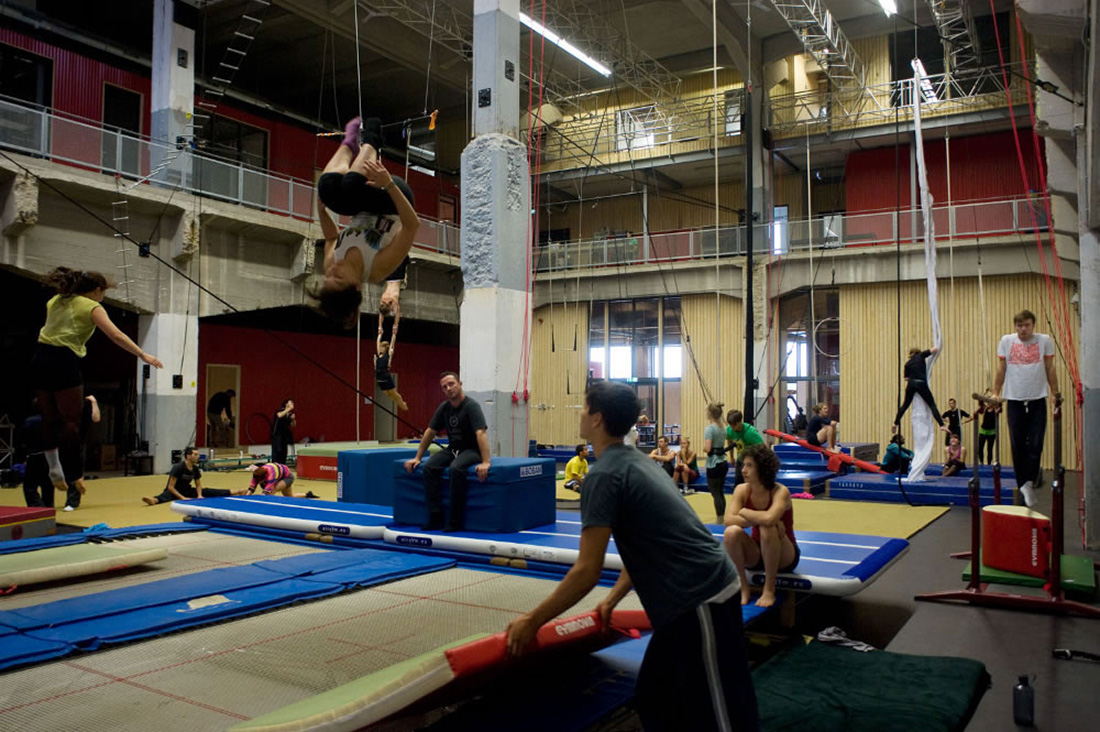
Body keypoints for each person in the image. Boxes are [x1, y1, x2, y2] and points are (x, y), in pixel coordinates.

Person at [504, 381, 760, 732]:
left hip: (702, 598)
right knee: (655, 696)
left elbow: (586, 570)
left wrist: (532, 621)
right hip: (683, 606)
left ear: (596, 419)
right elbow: (649, 545)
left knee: (721, 709)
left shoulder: (605, 475)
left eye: (584, 408)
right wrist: (613, 598)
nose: (580, 414)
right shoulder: (637, 463)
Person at [31, 267, 162, 496]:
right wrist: (143, 355)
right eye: (103, 293)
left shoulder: (55, 300)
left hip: (40, 357)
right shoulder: (92, 306)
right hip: (63, 359)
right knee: (72, 421)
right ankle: (74, 474)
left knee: (49, 419)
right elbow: (116, 335)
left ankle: (54, 468)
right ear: (96, 291)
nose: (103, 297)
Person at [312, 118, 420, 329]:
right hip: (394, 202)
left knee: (327, 189)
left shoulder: (331, 264)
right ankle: (373, 137)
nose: (333, 269)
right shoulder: (378, 268)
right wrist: (388, 183)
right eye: (339, 276)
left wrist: (322, 211)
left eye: (328, 276)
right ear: (356, 286)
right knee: (351, 187)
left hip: (362, 205)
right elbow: (412, 225)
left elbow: (332, 238)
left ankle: (350, 143)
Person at [404, 372, 491, 531]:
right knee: (429, 467)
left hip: (472, 450)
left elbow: (481, 433)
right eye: (444, 387)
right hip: (453, 449)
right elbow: (430, 432)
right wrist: (417, 458)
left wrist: (486, 461)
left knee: (456, 469)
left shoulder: (471, 406)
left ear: (460, 384)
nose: (449, 388)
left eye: (451, 384)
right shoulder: (444, 408)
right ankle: (435, 516)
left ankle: (454, 520)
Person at [992, 309, 1059, 508]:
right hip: (1014, 399)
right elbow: (1001, 369)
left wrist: (1055, 392)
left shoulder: (1044, 340)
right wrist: (996, 393)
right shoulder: (1006, 341)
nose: (1023, 330)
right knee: (1018, 444)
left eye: (1027, 325)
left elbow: (1050, 368)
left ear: (1033, 325)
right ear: (1015, 327)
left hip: (1038, 397)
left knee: (1036, 442)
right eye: (1019, 326)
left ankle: (1029, 480)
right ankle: (1023, 484)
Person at [722, 443, 799, 608]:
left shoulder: (780, 491)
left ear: (763, 469)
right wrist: (758, 517)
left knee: (768, 527)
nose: (743, 470)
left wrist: (744, 512)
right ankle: (743, 586)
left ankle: (768, 589)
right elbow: (728, 520)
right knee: (731, 532)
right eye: (743, 465)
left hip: (784, 555)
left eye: (749, 466)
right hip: (757, 553)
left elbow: (770, 519)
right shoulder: (742, 490)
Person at [142, 447, 248, 505]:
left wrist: (199, 495)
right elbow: (170, 487)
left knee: (209, 491)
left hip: (187, 490)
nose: (198, 457)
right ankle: (153, 500)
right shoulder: (178, 467)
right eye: (195, 454)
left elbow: (198, 485)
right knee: (165, 496)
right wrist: (183, 498)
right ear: (188, 456)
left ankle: (237, 491)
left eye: (198, 454)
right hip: (174, 490)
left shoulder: (195, 469)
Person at [893, 346, 947, 434]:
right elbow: (934, 349)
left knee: (905, 405)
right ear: (918, 352)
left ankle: (895, 423)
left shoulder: (907, 363)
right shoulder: (921, 356)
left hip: (911, 384)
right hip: (921, 383)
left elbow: (906, 379)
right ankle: (941, 425)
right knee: (931, 404)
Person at [63, 394, 101, 511]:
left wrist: (94, 402)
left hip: (78, 440)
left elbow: (96, 418)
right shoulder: (61, 402)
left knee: (75, 471)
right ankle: (47, 502)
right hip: (61, 439)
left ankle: (72, 501)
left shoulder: (85, 403)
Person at [18, 404, 52, 509]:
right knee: (47, 485)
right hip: (50, 455)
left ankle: (36, 506)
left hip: (34, 454)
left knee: (30, 486)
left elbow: (22, 440)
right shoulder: (52, 421)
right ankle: (48, 508)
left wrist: (23, 457)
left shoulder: (29, 421)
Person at [702, 402, 730, 520]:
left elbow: (708, 448)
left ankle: (719, 518)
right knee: (720, 491)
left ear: (710, 414)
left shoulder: (709, 429)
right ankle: (722, 515)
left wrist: (703, 448)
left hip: (713, 463)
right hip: (723, 461)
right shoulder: (723, 428)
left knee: (715, 493)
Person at [726, 409, 764, 484]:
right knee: (738, 483)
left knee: (750, 482)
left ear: (740, 422)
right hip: (740, 459)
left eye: (734, 425)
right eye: (730, 425)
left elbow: (762, 446)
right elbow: (730, 442)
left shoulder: (751, 432)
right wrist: (731, 457)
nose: (732, 427)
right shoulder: (729, 430)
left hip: (751, 460)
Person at [245, 462, 318, 498]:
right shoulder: (257, 473)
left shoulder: (271, 475)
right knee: (289, 497)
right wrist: (246, 498)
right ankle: (307, 495)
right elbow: (252, 487)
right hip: (279, 476)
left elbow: (267, 492)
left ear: (263, 478)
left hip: (287, 477)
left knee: (272, 491)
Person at [374, 340, 408, 411]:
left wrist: (394, 334)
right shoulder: (379, 355)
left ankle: (403, 405)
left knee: (394, 394)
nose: (380, 348)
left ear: (385, 348)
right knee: (388, 394)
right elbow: (377, 343)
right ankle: (399, 403)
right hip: (379, 378)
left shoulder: (387, 356)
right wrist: (380, 334)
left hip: (385, 377)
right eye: (379, 347)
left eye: (381, 347)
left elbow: (392, 344)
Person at [974, 391, 1001, 465]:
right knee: (980, 447)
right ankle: (981, 461)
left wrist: (995, 394)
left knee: (990, 449)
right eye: (987, 402)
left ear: (993, 403)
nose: (988, 404)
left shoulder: (996, 410)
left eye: (990, 402)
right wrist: (985, 393)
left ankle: (989, 463)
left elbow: (1000, 405)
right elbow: (980, 401)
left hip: (991, 432)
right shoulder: (985, 408)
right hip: (983, 430)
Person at [270, 399, 296, 465]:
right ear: (286, 404)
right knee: (277, 453)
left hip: (284, 437)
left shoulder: (289, 415)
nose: (292, 404)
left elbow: (293, 425)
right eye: (291, 402)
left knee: (283, 453)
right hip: (277, 436)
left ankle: (282, 467)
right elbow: (279, 415)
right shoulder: (280, 411)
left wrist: (293, 420)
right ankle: (275, 467)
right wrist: (288, 409)